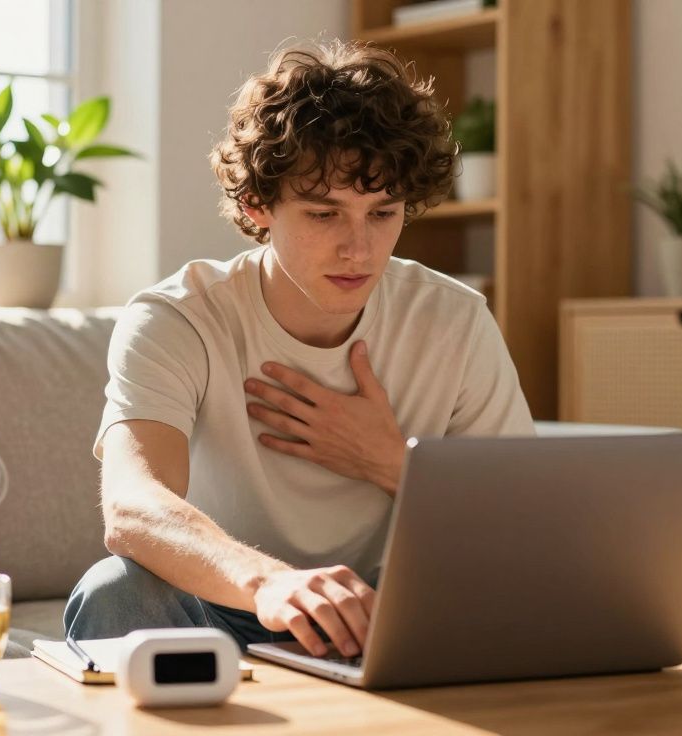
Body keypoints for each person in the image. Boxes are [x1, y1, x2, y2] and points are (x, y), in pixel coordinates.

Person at [63, 39, 533, 660]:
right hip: (224, 602)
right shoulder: (178, 317)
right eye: (323, 214)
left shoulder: (455, 320)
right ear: (258, 205)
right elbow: (132, 507)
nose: (359, 249)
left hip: (380, 611)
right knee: (116, 592)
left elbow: (520, 523)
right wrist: (271, 584)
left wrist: (391, 463)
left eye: (383, 213)